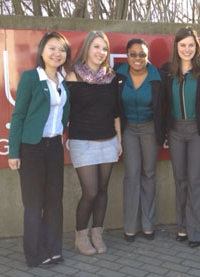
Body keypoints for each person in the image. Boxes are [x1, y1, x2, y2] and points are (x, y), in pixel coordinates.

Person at [8, 32, 71, 267]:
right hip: (32, 148)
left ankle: (53, 248)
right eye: (52, 48)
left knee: (54, 201)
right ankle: (34, 254)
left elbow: (64, 114)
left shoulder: (64, 81)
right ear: (42, 51)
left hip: (54, 147)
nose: (57, 54)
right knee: (34, 204)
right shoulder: (31, 78)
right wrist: (13, 152)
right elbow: (19, 116)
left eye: (62, 50)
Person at [66, 31, 122, 255]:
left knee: (102, 191)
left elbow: (116, 111)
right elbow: (64, 111)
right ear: (87, 48)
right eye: (96, 47)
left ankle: (97, 232)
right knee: (90, 192)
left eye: (104, 48)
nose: (101, 52)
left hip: (108, 140)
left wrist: (119, 140)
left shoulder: (111, 78)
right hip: (82, 143)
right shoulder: (73, 77)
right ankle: (81, 235)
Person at [162, 27, 200, 248]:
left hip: (198, 132)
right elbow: (161, 103)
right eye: (183, 45)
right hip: (175, 131)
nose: (187, 49)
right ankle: (182, 227)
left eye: (191, 45)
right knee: (180, 181)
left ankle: (196, 231)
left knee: (196, 181)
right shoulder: (167, 71)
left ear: (196, 47)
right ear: (176, 47)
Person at [115, 38, 164, 242]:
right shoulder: (117, 74)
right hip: (128, 130)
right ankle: (130, 227)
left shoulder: (157, 76)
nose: (137, 58)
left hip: (149, 128)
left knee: (149, 174)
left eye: (142, 54)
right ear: (127, 56)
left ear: (148, 56)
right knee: (132, 174)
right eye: (133, 54)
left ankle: (148, 225)